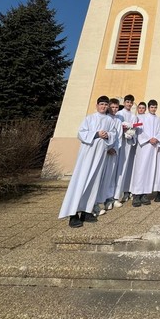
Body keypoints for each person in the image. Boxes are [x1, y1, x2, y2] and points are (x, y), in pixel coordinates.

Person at [59, 96, 118, 227]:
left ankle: (87, 211)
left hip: (100, 156)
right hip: (87, 156)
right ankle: (73, 214)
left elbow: (114, 134)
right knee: (81, 181)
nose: (103, 106)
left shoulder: (110, 120)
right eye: (101, 104)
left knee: (94, 182)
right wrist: (96, 134)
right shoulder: (89, 118)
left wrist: (108, 135)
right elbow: (81, 133)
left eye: (105, 105)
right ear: (97, 105)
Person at [94, 97, 123, 214]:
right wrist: (107, 147)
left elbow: (118, 137)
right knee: (99, 176)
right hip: (101, 151)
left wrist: (114, 148)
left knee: (110, 176)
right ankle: (95, 202)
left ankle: (108, 198)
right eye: (112, 107)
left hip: (112, 152)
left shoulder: (118, 121)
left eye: (116, 107)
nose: (114, 109)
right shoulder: (102, 118)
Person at [130, 99, 160, 207]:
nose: (153, 109)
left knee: (150, 170)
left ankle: (145, 194)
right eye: (152, 107)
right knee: (140, 169)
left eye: (155, 107)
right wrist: (148, 139)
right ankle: (136, 195)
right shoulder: (142, 118)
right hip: (144, 147)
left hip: (153, 148)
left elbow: (159, 132)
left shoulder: (159, 119)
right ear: (148, 108)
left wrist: (156, 139)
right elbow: (139, 131)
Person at [113, 94, 138, 207]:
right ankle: (112, 196)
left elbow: (134, 129)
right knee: (116, 169)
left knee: (124, 169)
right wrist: (122, 131)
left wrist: (130, 134)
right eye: (127, 102)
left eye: (130, 102)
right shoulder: (119, 114)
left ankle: (121, 194)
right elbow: (115, 127)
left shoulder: (133, 116)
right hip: (119, 144)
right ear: (124, 103)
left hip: (127, 144)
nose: (129, 104)